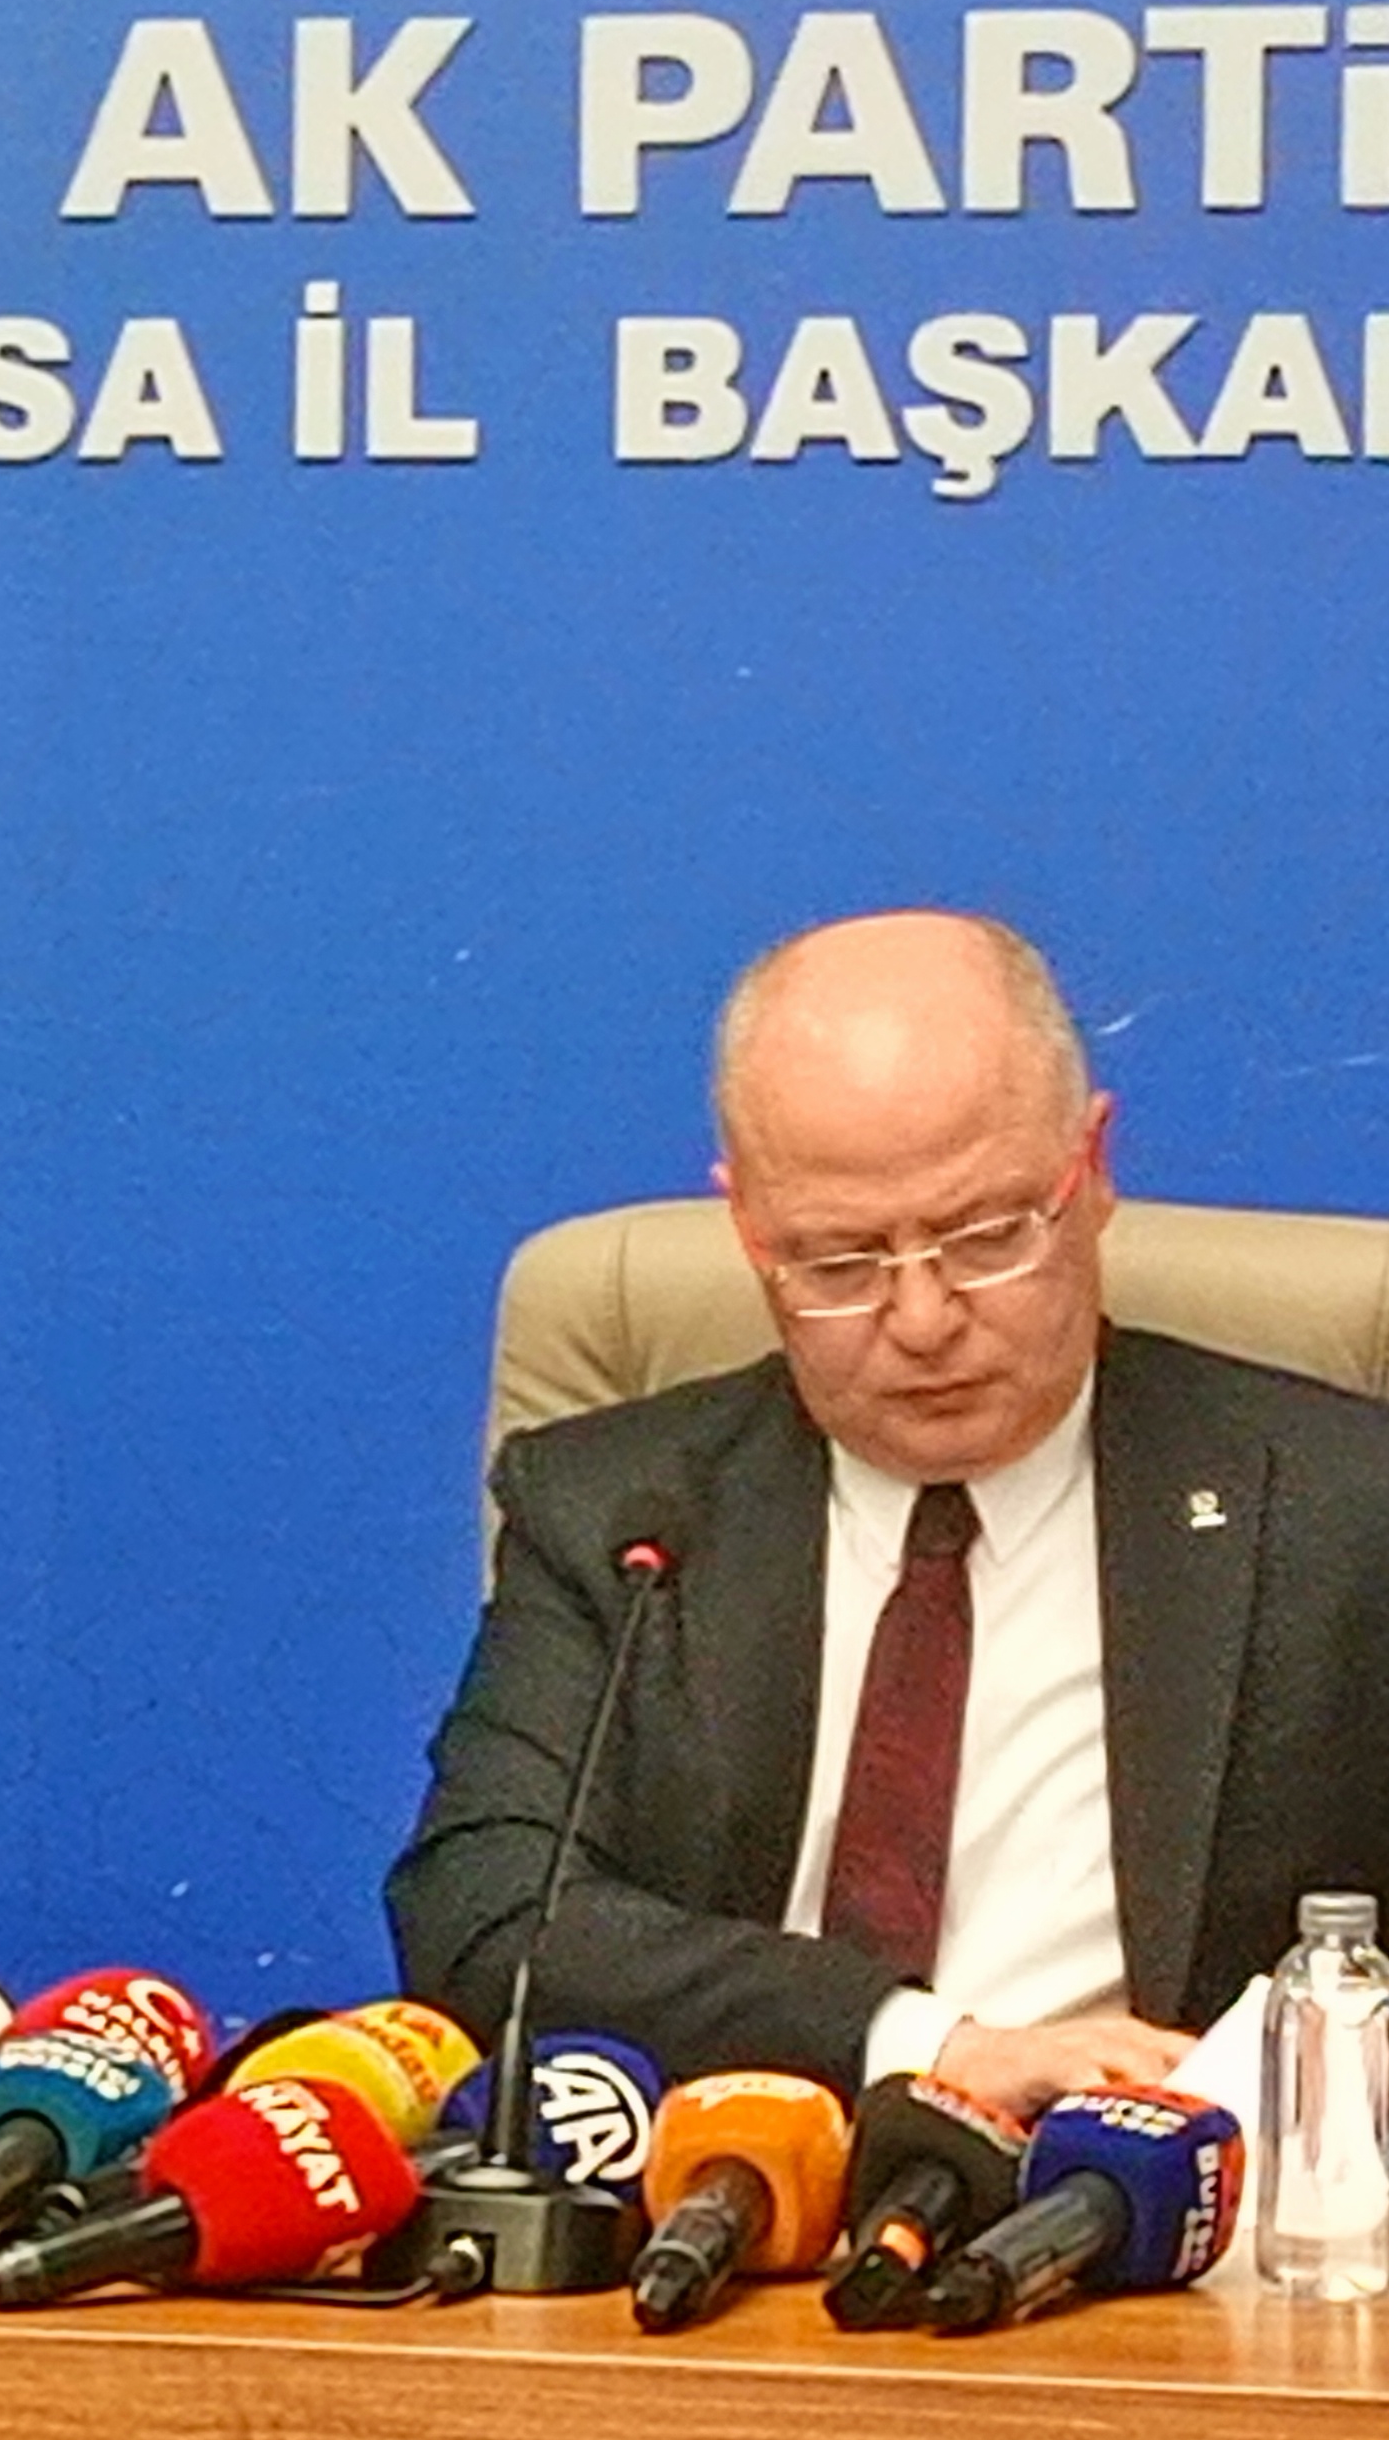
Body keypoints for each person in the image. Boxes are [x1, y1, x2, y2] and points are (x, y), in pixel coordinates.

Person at [388, 907, 1389, 2116]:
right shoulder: (620, 1517)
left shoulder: (1343, 1512)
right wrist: (924, 2043)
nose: (922, 1320)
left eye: (987, 1237)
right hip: (735, 2180)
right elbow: (485, 1910)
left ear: (1091, 1170)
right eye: (839, 1262)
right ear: (749, 1228)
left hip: (1153, 2196)